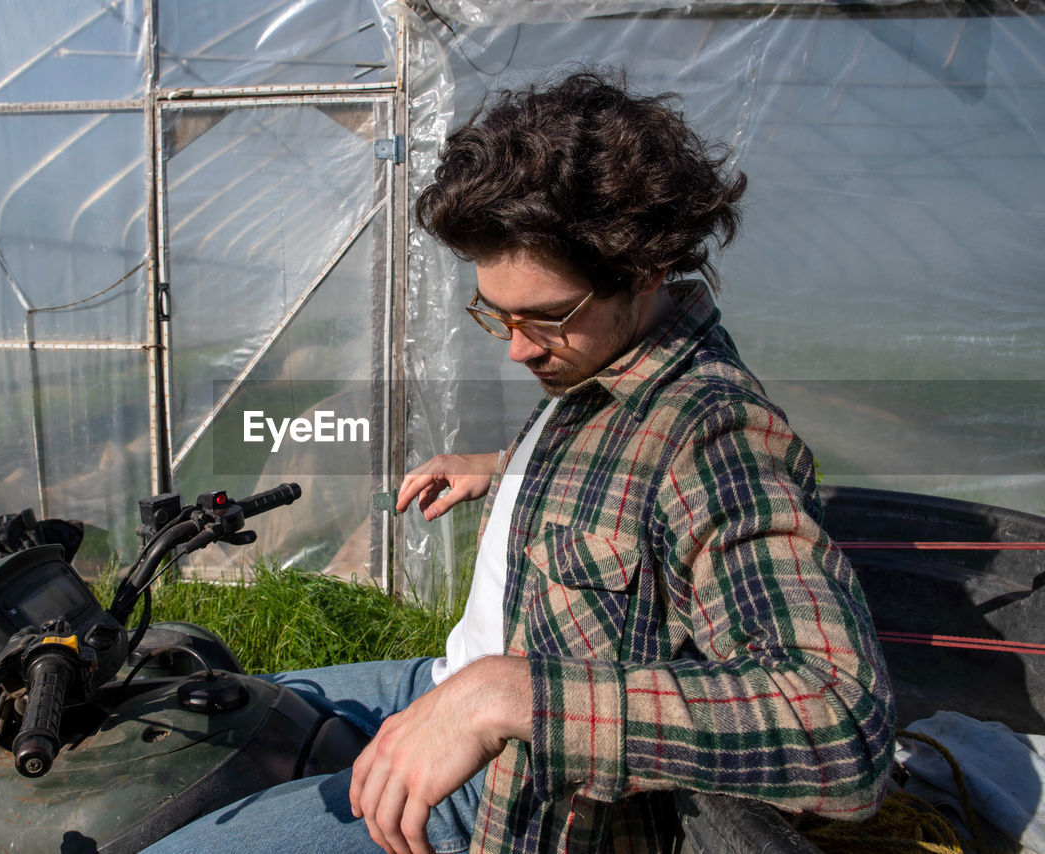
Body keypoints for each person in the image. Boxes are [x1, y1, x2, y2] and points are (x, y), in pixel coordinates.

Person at [143, 69, 894, 854]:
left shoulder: (715, 438)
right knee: (208, 725)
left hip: (509, 790)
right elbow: (613, 480)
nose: (517, 347)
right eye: (495, 314)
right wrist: (502, 470)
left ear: (641, 272)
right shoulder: (603, 360)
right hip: (442, 680)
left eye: (544, 317)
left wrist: (509, 696)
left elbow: (841, 722)